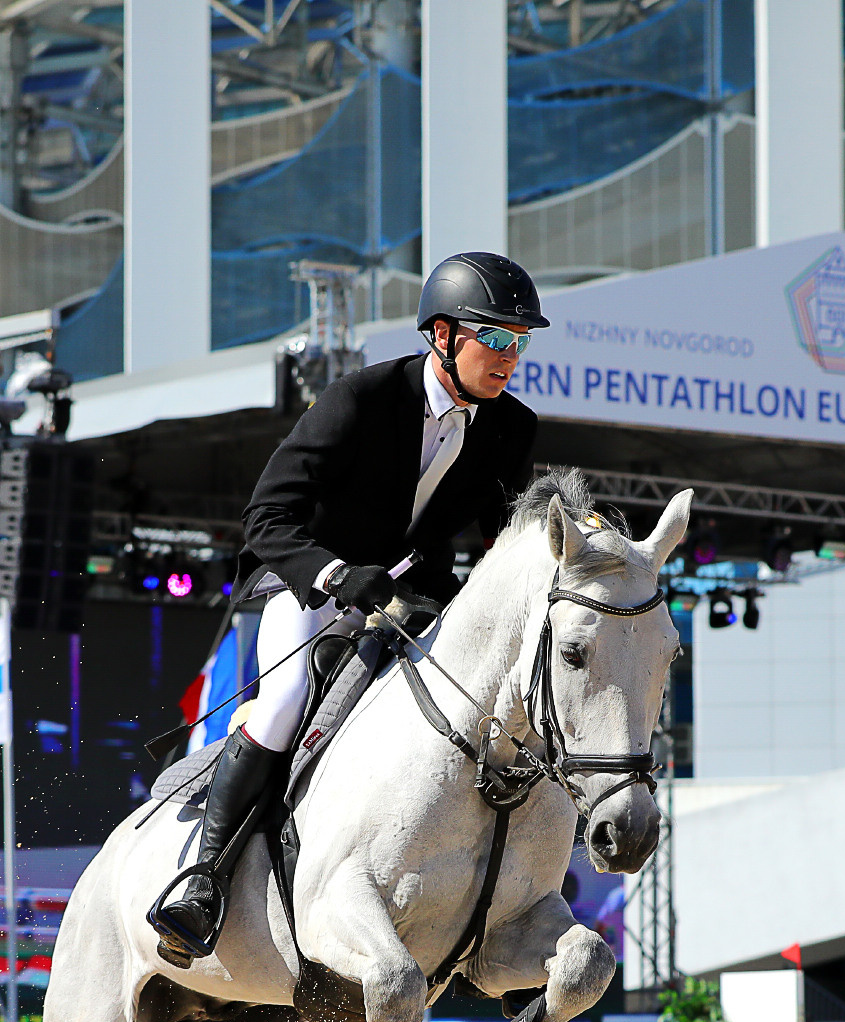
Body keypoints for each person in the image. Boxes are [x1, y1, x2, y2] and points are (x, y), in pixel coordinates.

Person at [147, 252, 549, 964]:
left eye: (521, 342)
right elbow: (267, 516)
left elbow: (502, 540)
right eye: (497, 337)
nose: (510, 356)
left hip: (410, 598)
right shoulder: (359, 399)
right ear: (444, 336)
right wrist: (335, 574)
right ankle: (202, 881)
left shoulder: (512, 428)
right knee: (283, 701)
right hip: (308, 581)